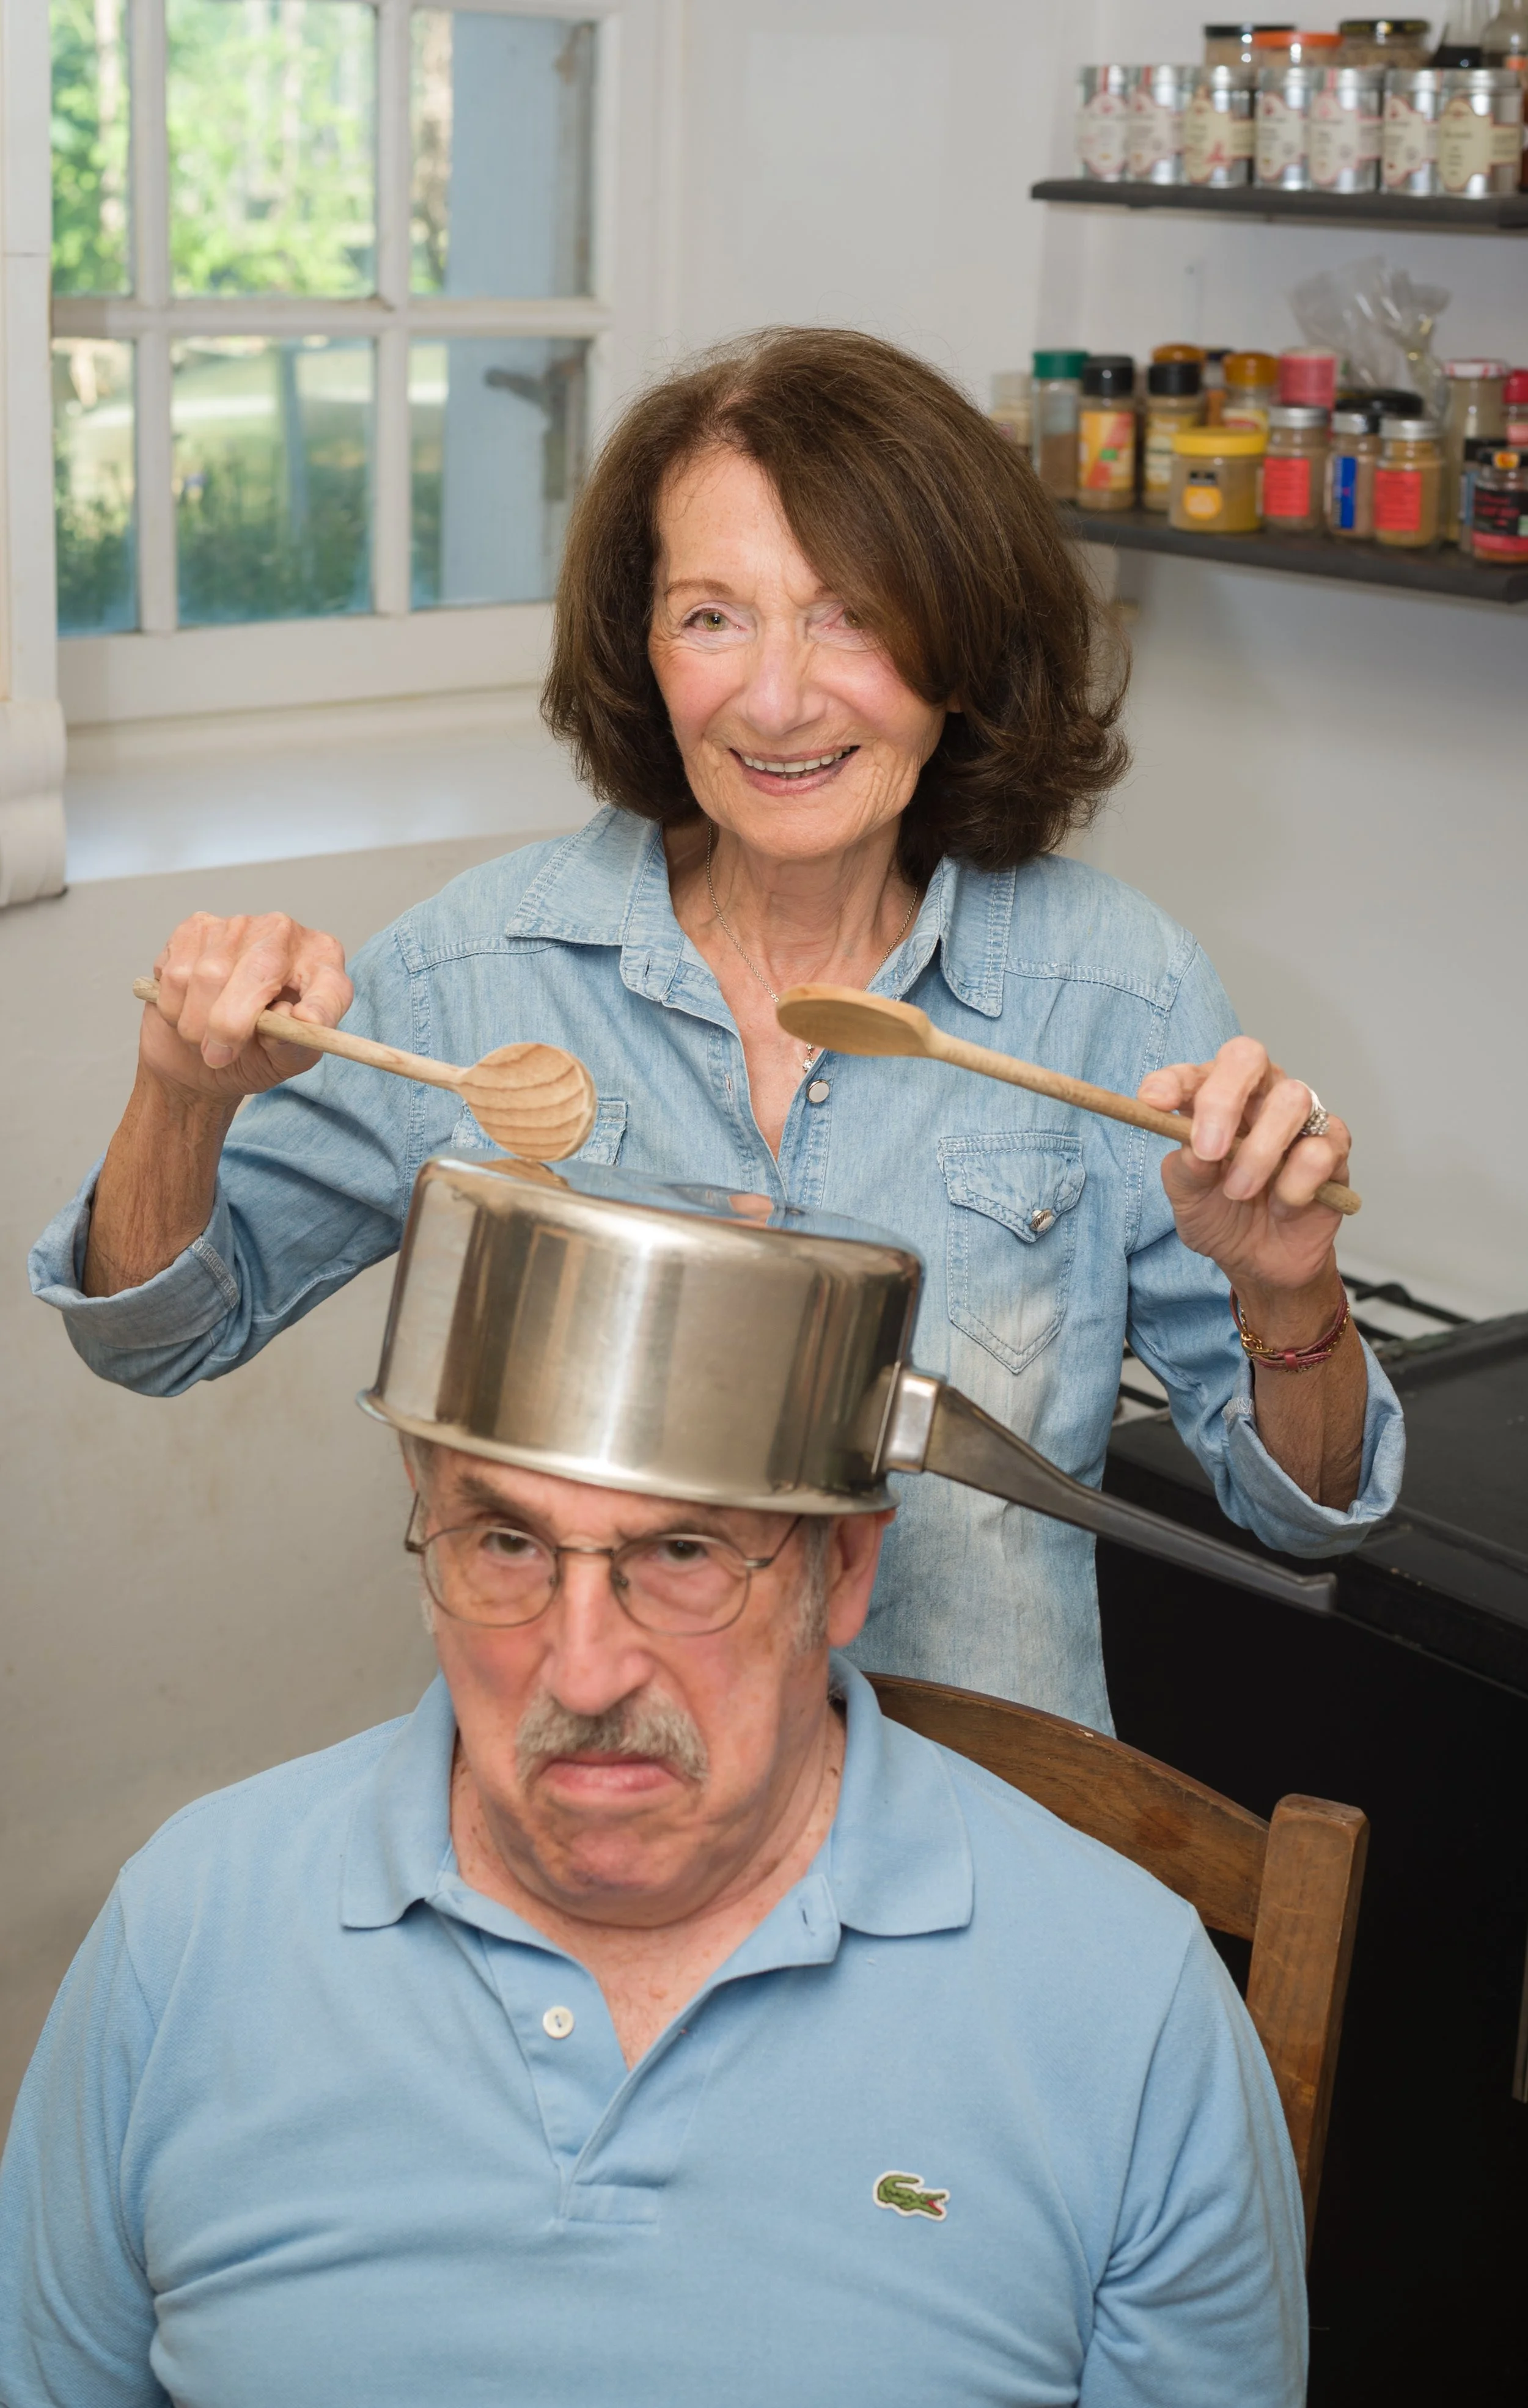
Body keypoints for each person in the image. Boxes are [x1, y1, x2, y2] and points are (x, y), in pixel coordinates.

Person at [29, 326, 1402, 1731]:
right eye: (710, 615)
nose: (775, 696)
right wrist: (179, 1099)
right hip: (582, 1812)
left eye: (851, 615)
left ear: (961, 646)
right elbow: (152, 1342)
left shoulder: (1116, 990)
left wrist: (1290, 1294)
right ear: (642, 643)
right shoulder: (475, 970)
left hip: (978, 1842)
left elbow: (1303, 1521)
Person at [0, 1290, 1308, 2406]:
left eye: (681, 1552)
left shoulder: (1125, 2009)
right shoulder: (189, 1926)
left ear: (840, 1569)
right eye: (505, 1540)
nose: (583, 1666)